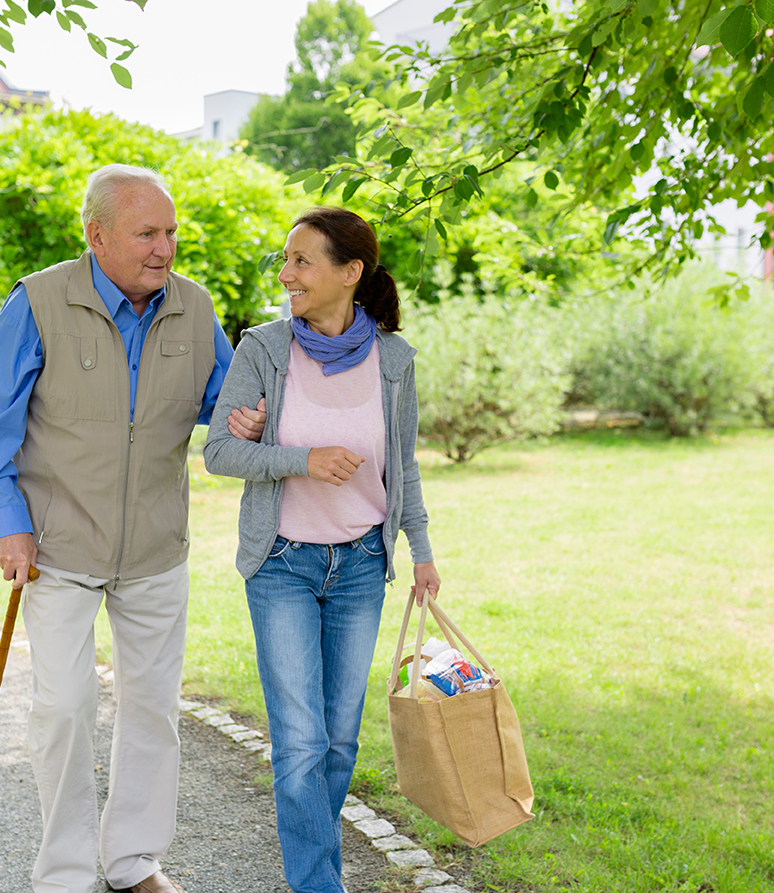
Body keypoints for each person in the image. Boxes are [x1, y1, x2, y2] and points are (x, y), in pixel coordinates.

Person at [0, 164, 263, 893]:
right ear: (97, 235)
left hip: (154, 547)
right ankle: (61, 873)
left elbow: (224, 400)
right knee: (62, 708)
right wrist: (6, 526)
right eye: (146, 232)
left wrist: (246, 414)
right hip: (57, 545)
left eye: (171, 232)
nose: (164, 247)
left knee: (152, 708)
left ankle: (133, 861)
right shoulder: (39, 302)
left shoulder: (193, 306)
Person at [203, 207, 441, 893]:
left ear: (350, 272)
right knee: (301, 741)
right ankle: (317, 884)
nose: (286, 274)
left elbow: (404, 464)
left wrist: (419, 549)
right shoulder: (264, 349)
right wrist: (300, 459)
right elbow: (219, 451)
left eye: (302, 261)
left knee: (339, 742)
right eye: (286, 259)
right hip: (281, 564)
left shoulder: (393, 362)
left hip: (362, 566)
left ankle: (316, 869)